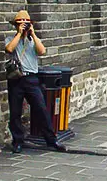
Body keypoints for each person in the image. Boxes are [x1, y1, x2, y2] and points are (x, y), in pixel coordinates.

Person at [4, 10, 67, 154]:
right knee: (15, 113)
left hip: (32, 79)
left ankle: (51, 140)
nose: (23, 25)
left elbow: (42, 51)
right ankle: (18, 141)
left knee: (41, 109)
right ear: (15, 25)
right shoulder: (10, 39)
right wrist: (19, 34)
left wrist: (32, 34)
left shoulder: (33, 40)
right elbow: (9, 49)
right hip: (16, 79)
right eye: (20, 23)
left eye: (26, 23)